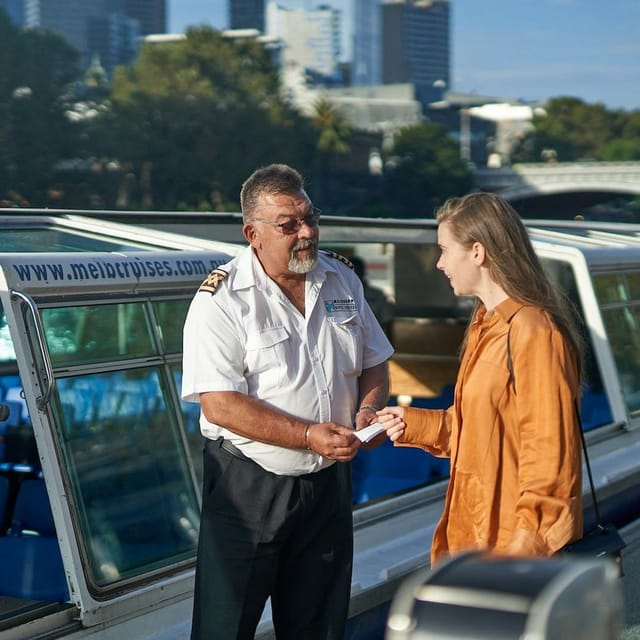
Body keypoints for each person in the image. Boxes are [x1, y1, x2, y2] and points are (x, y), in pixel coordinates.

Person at [182, 163, 393, 640]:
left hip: (328, 487)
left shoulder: (342, 281)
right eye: (289, 225)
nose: (307, 232)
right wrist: (305, 436)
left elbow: (375, 362)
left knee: (319, 626)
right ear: (252, 233)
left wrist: (366, 413)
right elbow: (218, 404)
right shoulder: (222, 300)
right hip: (248, 487)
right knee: (224, 627)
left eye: (310, 218)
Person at [376, 192, 584, 566]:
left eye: (444, 250)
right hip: (474, 538)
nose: (440, 264)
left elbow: (550, 456)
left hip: (510, 550)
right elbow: (479, 430)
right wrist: (411, 423)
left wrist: (523, 553)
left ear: (477, 252)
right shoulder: (484, 326)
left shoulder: (533, 331)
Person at [351, 256, 394, 341]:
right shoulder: (338, 294)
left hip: (373, 342)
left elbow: (387, 321)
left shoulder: (377, 295)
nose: (355, 274)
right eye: (352, 272)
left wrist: (390, 347)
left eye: (358, 271)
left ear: (363, 272)